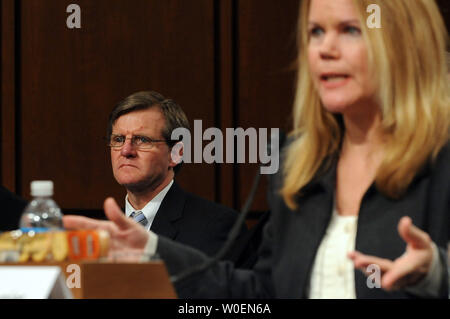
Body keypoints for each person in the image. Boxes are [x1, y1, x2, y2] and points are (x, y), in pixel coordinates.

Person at [64, 0, 449, 298]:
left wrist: (437, 275)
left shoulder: (440, 157)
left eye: (349, 30)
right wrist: (150, 251)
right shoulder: (298, 166)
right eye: (315, 32)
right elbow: (260, 296)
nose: (325, 49)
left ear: (403, 41)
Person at [104, 90, 249, 263]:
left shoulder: (218, 227)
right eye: (119, 139)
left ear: (175, 154)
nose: (126, 151)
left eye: (142, 140)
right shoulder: (100, 232)